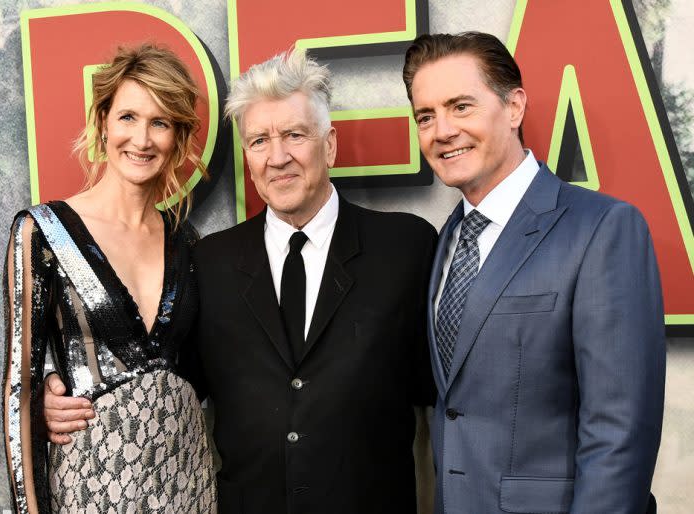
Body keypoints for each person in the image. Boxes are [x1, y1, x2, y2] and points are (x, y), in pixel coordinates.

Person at [42, 49, 437, 514]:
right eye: (258, 141)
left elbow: (443, 393)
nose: (278, 157)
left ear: (329, 144)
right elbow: (162, 371)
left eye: (294, 135)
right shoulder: (209, 260)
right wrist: (62, 386)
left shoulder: (405, 247)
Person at [403, 32, 666, 513]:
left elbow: (619, 431)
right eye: (426, 115)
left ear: (514, 107)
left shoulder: (603, 229)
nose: (441, 130)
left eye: (461, 106)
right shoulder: (447, 240)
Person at [2, 44, 216, 513]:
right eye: (128, 117)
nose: (141, 139)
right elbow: (18, 389)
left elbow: (205, 373)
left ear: (177, 137)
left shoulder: (189, 244)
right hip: (91, 486)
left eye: (159, 122)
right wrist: (42, 401)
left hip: (186, 482)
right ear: (102, 121)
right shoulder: (42, 232)